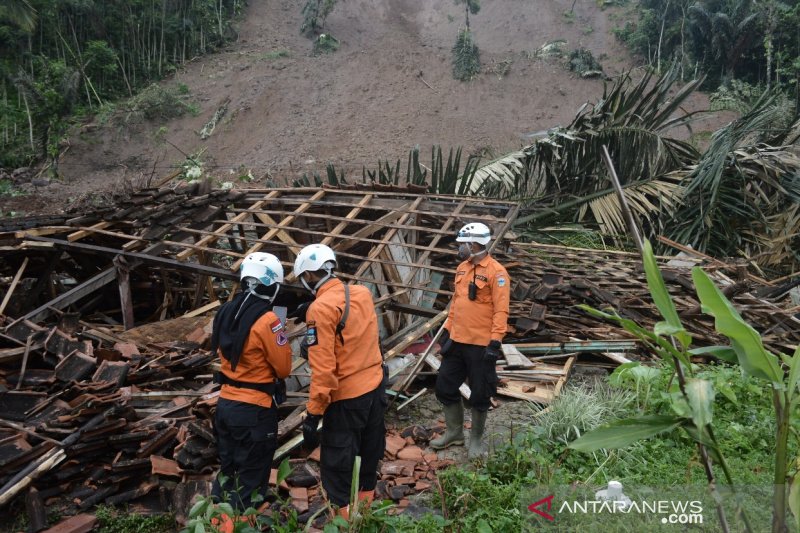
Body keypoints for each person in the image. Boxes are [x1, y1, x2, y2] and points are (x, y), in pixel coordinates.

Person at [292, 243, 386, 519]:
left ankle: (345, 521)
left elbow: (323, 371)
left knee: (337, 461)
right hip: (375, 386)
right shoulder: (363, 294)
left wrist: (313, 414)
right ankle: (366, 512)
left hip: (346, 398)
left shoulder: (319, 311)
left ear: (309, 275)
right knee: (369, 452)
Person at [210, 252, 292, 510]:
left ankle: (214, 522)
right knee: (250, 479)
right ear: (271, 284)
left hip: (225, 404)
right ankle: (237, 525)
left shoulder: (225, 312)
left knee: (228, 471)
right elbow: (284, 367)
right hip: (254, 410)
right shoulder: (268, 320)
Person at [431, 222, 510, 459]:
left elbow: (501, 310)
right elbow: (456, 303)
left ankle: (475, 439)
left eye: (463, 244)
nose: (460, 248)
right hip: (457, 340)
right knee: (444, 386)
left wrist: (495, 342)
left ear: (475, 244)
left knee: (480, 393)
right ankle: (454, 433)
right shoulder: (462, 268)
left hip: (481, 343)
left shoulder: (497, 272)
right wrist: (446, 331)